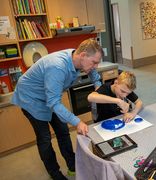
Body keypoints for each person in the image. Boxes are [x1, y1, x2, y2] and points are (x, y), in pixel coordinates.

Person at [11, 38, 103, 180]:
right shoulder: (57, 67)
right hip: (30, 98)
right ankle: (55, 174)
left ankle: (73, 165)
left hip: (49, 96)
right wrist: (77, 122)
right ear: (83, 55)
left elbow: (91, 71)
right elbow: (53, 103)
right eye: (94, 62)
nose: (95, 66)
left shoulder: (78, 59)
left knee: (63, 131)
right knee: (45, 138)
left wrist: (98, 86)